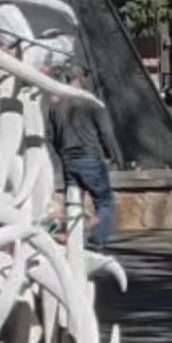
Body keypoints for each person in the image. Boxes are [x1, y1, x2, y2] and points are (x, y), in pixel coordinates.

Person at [48, 57, 119, 253]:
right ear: (81, 78)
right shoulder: (92, 103)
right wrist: (110, 154)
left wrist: (62, 153)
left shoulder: (56, 106)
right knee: (105, 202)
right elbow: (106, 133)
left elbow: (51, 136)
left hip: (67, 161)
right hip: (90, 157)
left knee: (73, 203)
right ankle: (97, 242)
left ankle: (70, 239)